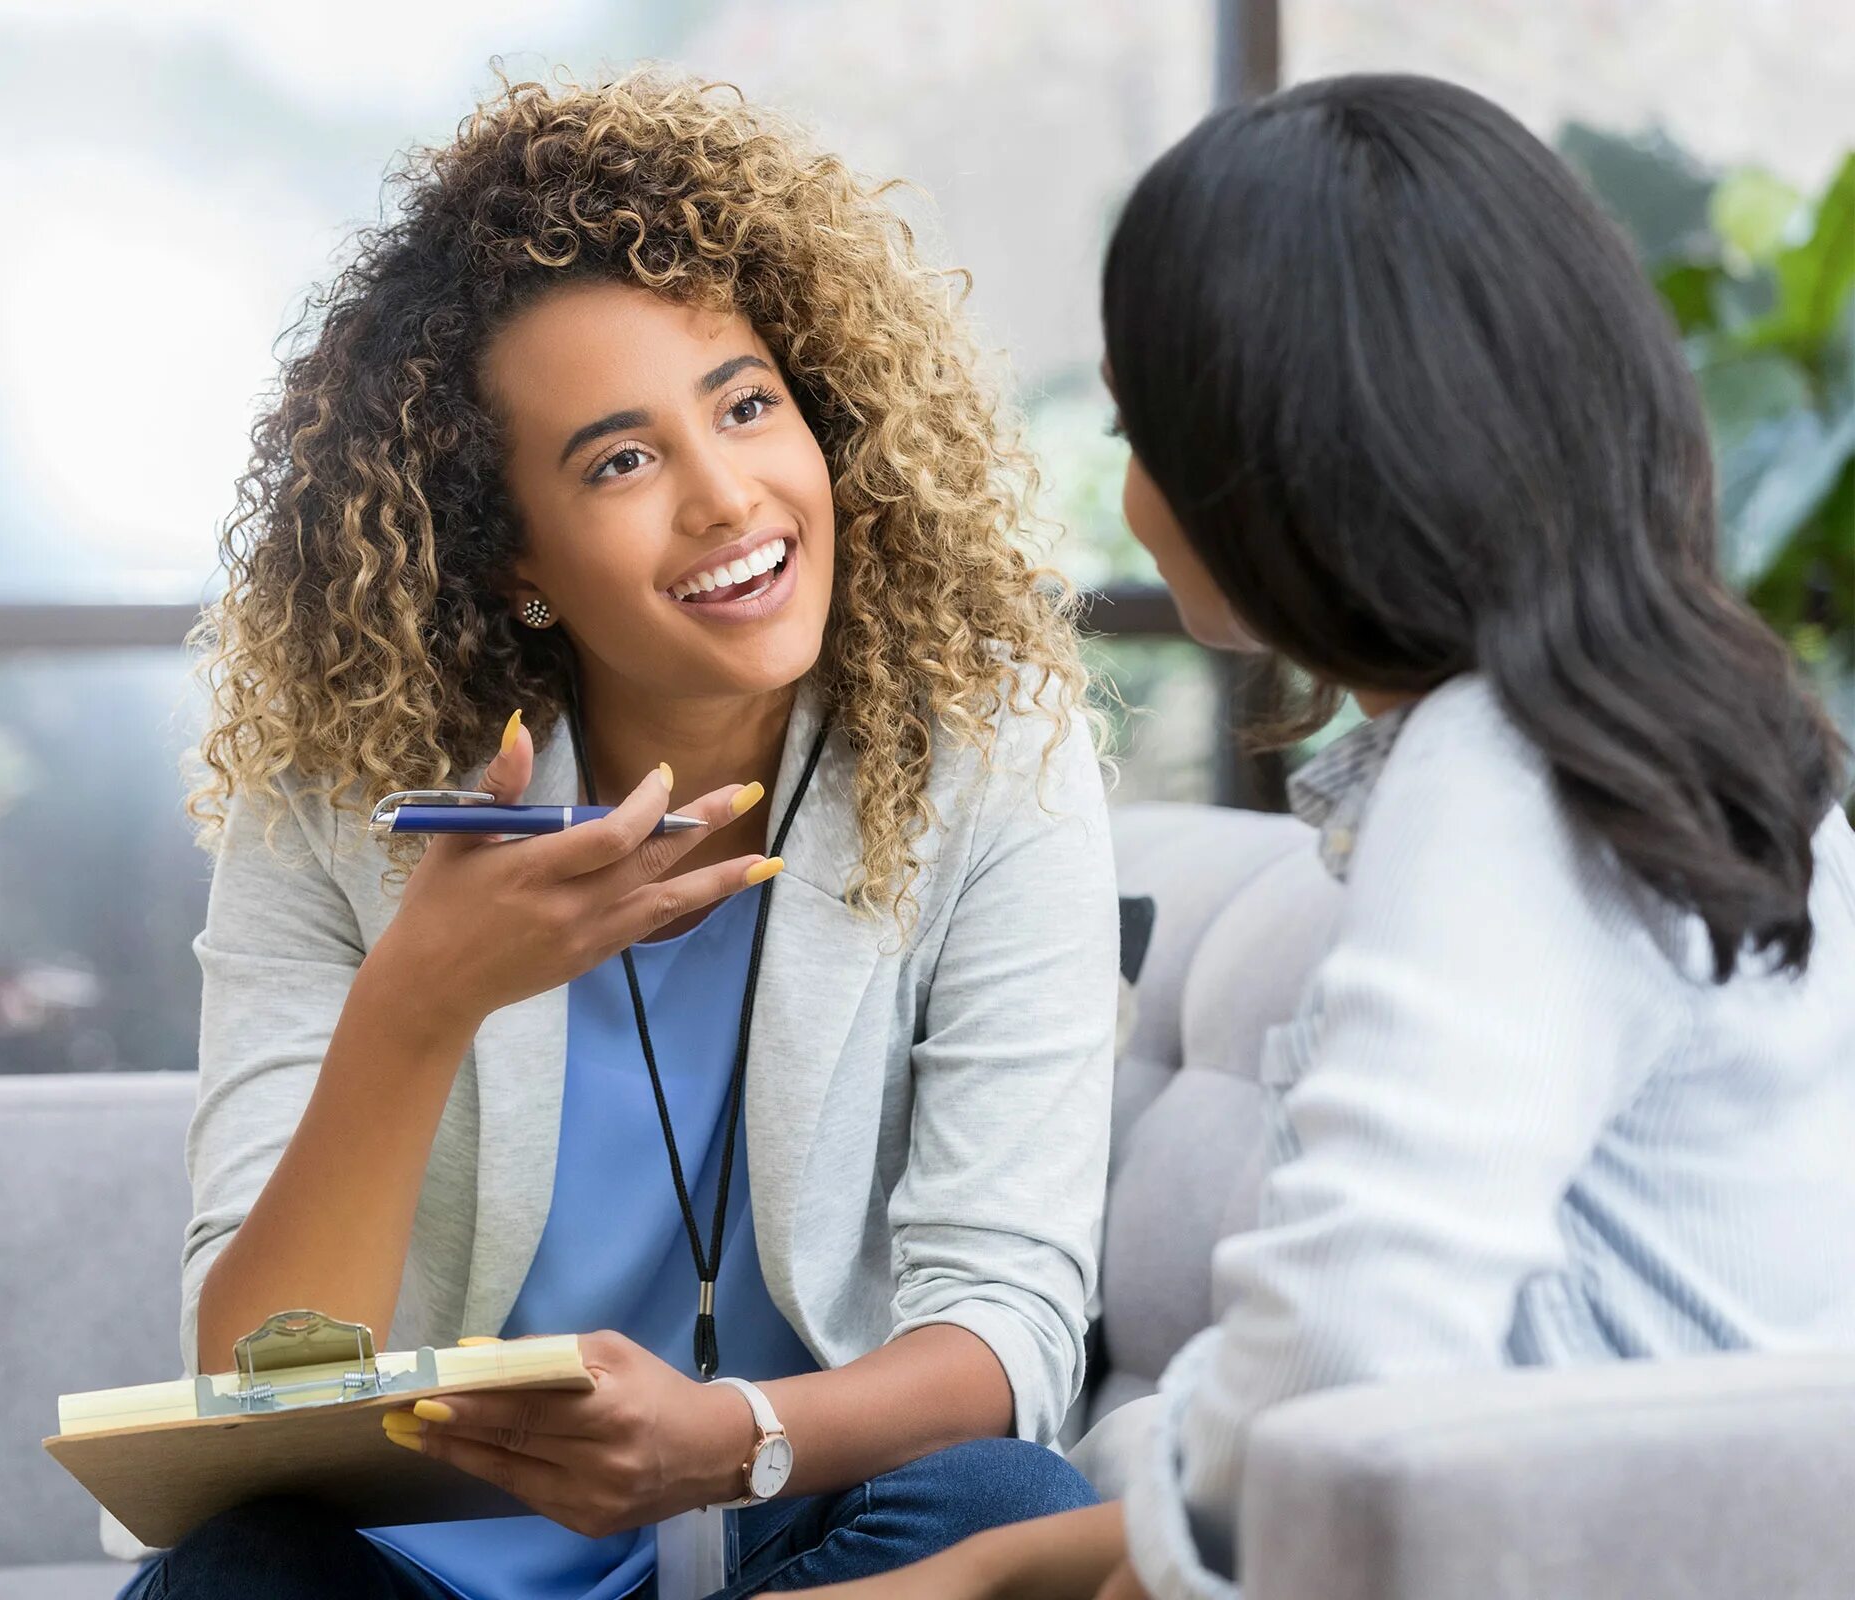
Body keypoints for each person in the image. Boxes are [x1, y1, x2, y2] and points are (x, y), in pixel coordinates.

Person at [806, 71, 1855, 1600]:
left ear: (1283, 463)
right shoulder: (1704, 739)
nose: (1139, 494)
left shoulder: (1504, 782)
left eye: (1138, 427)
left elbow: (1351, 1344)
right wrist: (1010, 1567)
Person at [121, 71, 1119, 1600]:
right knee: (245, 1572)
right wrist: (421, 998)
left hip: (806, 1526)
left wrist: (733, 1438)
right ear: (513, 554)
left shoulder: (989, 757)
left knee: (1001, 1500)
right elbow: (254, 1391)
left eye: (745, 405)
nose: (729, 498)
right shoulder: (338, 805)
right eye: (621, 460)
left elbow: (1009, 1327)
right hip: (436, 1566)